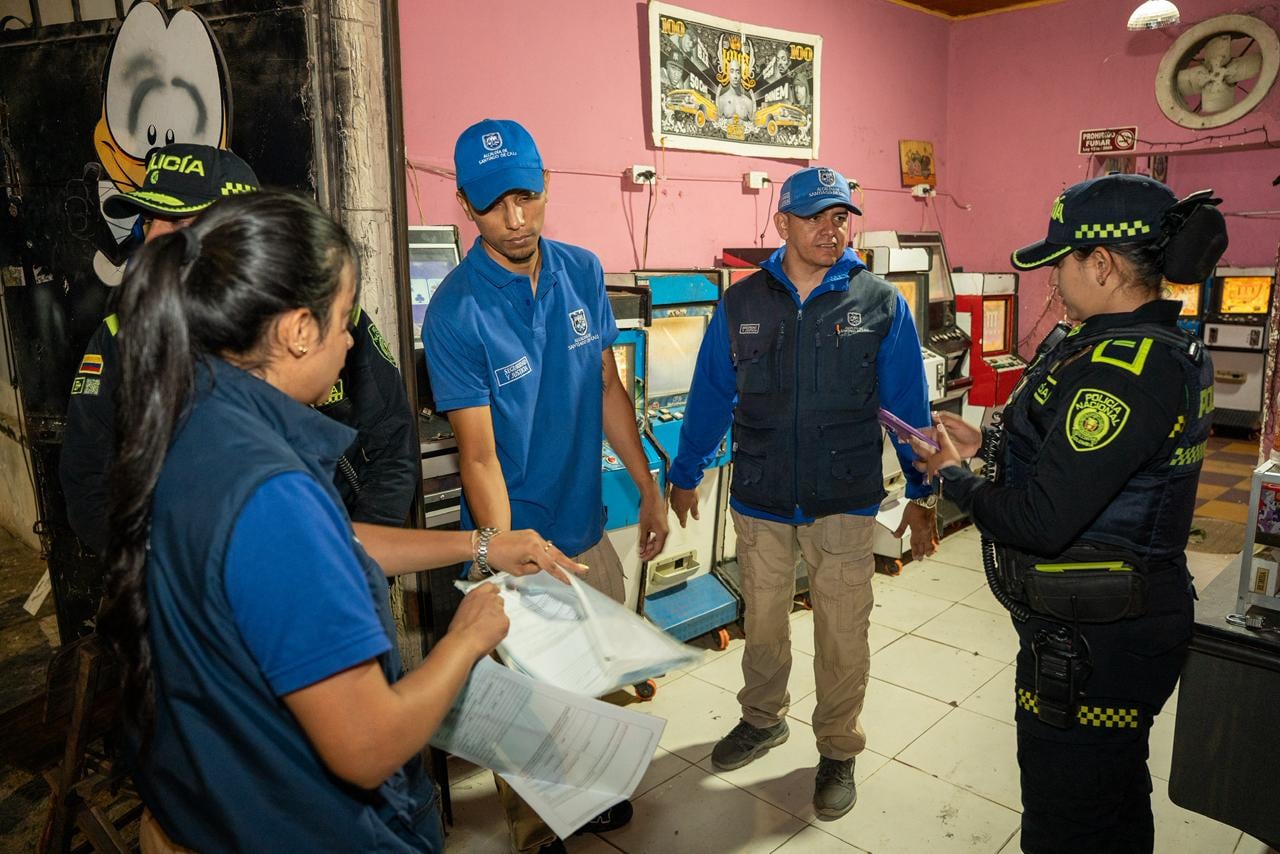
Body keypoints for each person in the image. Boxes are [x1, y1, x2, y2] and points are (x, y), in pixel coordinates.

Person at [96, 190, 585, 852]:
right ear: (298, 330)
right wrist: (465, 641)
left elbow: (331, 544)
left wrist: (478, 544)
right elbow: (367, 745)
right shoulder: (270, 491)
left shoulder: (197, 421)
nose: (353, 338)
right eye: (344, 318)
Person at [911, 174, 1227, 854]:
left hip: (1103, 637)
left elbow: (1040, 519)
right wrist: (986, 445)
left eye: (1062, 259)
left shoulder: (1126, 366)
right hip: (1099, 616)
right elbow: (1071, 455)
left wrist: (957, 482)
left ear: (1103, 264)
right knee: (1106, 792)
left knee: (1069, 818)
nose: (1054, 276)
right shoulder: (1123, 342)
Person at [422, 118, 668, 854]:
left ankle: (587, 799)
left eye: (527, 196)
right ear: (467, 205)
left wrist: (648, 486)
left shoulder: (583, 271)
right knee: (530, 702)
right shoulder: (456, 313)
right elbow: (479, 456)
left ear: (546, 183)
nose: (517, 218)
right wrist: (504, 551)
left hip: (586, 524)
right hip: (520, 533)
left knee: (592, 678)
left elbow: (606, 388)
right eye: (496, 204)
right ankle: (536, 832)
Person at [668, 165, 938, 820]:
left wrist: (925, 487)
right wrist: (686, 470)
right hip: (761, 494)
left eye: (840, 215)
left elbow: (907, 405)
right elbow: (711, 392)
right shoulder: (742, 303)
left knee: (842, 630)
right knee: (761, 622)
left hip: (843, 495)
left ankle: (839, 748)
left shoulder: (879, 303)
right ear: (782, 222)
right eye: (816, 215)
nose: (831, 227)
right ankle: (763, 719)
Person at [61, 142, 418, 559]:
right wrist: (175, 575)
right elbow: (89, 485)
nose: (155, 236)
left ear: (244, 235)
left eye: (180, 222)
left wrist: (356, 561)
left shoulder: (324, 318)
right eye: (149, 219)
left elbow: (393, 442)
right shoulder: (120, 337)